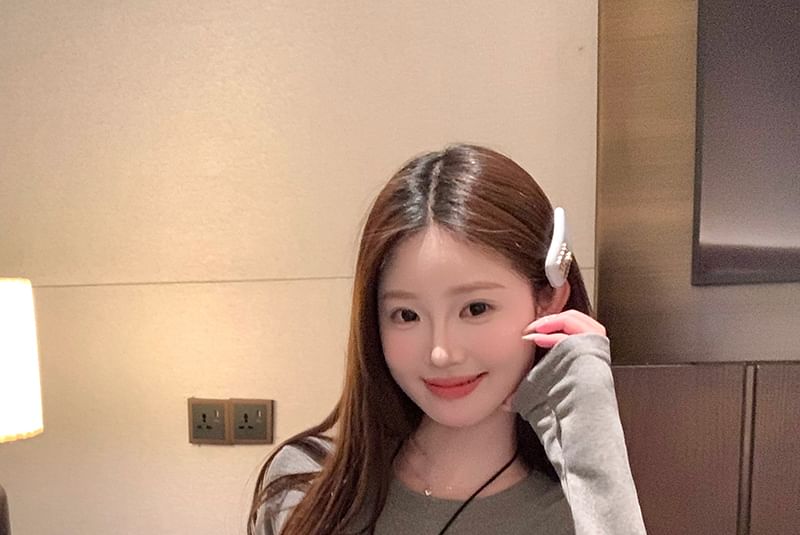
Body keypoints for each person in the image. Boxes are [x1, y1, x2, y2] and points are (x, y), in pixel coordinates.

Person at [248, 144, 646, 534]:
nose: (441, 352)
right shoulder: (307, 489)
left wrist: (590, 425)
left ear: (548, 300)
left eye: (475, 309)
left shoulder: (577, 514)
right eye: (407, 315)